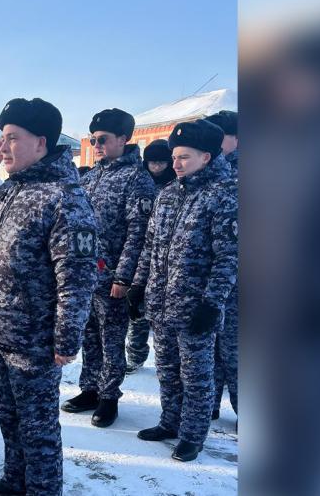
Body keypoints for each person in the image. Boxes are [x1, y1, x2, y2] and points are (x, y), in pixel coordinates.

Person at [0, 98, 97, 496]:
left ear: (41, 143)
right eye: (2, 137)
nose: (2, 147)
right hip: (4, 334)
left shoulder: (63, 198)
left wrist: (66, 339)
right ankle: (15, 479)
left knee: (38, 430)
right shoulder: (9, 193)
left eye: (11, 138)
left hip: (36, 341)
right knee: (8, 413)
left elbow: (76, 276)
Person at [127, 119, 238, 461]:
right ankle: (170, 421)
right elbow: (149, 245)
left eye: (184, 157)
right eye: (174, 156)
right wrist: (137, 285)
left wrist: (212, 302)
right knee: (168, 370)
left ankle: (193, 434)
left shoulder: (225, 195)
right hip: (161, 304)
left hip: (195, 306)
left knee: (197, 376)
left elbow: (230, 257)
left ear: (206, 157)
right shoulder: (168, 195)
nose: (175, 163)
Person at [61, 108, 155, 428]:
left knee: (111, 338)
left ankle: (109, 396)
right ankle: (89, 389)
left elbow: (138, 234)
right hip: (85, 275)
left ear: (123, 139)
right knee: (89, 336)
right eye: (92, 139)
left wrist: (124, 276)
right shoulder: (90, 177)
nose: (96, 145)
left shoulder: (137, 179)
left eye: (102, 139)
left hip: (112, 276)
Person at [125, 139, 176, 373]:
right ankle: (135, 354)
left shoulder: (175, 185)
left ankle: (169, 360)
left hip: (166, 257)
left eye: (161, 163)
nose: (156, 167)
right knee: (138, 312)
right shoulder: (139, 182)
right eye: (152, 162)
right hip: (142, 254)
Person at [204, 110, 239, 421]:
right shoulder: (209, 169)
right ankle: (209, 406)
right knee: (211, 347)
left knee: (237, 351)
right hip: (209, 277)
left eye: (218, 133)